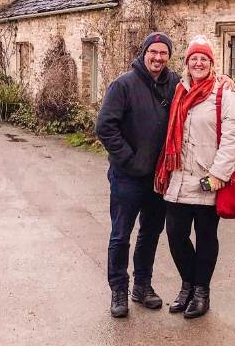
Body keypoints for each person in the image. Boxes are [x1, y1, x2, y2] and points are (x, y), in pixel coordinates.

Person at [155, 35, 235, 319]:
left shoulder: (224, 95)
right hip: (178, 179)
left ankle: (201, 291)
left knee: (206, 238)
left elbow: (232, 138)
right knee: (176, 236)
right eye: (194, 58)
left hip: (208, 180)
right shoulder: (178, 91)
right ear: (187, 62)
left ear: (211, 63)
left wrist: (218, 175)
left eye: (203, 58)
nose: (198, 62)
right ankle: (188, 284)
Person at [95, 32, 176, 318]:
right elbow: (105, 127)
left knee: (151, 232)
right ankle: (119, 290)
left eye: (163, 53)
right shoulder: (123, 85)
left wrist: (224, 81)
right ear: (143, 53)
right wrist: (129, 160)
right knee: (121, 235)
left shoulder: (175, 84)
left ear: (168, 56)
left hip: (158, 178)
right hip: (127, 176)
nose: (157, 57)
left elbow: (202, 86)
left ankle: (142, 286)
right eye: (153, 52)